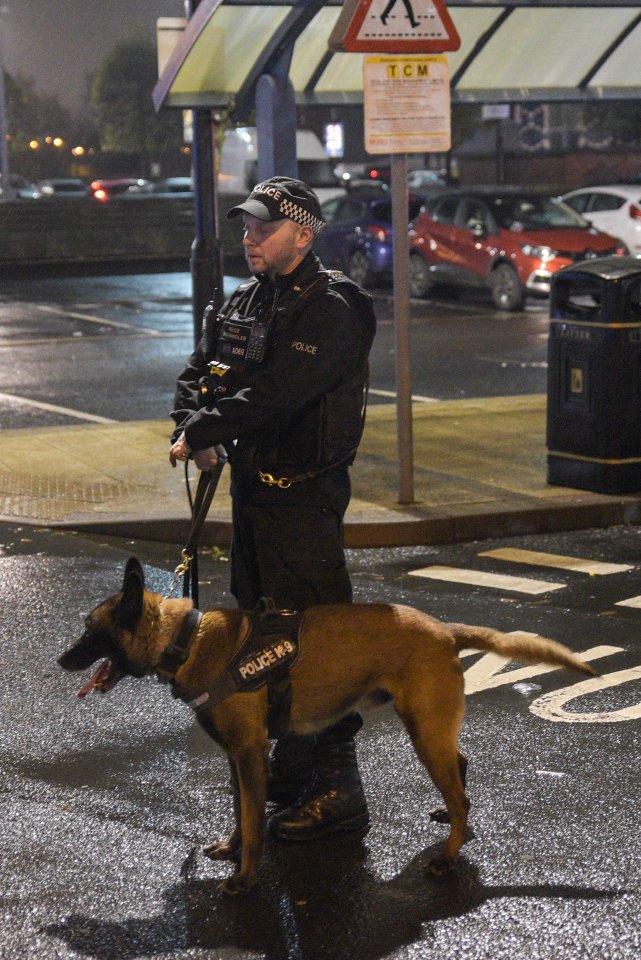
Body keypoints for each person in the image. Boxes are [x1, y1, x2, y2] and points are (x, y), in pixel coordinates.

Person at [169, 176, 377, 841]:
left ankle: (340, 790)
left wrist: (203, 430)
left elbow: (278, 392)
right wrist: (190, 425)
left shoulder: (333, 308)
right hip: (253, 497)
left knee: (315, 642)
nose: (248, 236)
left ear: (303, 233)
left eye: (262, 226)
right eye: (245, 225)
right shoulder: (247, 300)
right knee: (264, 639)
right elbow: (199, 373)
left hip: (304, 500)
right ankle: (292, 775)